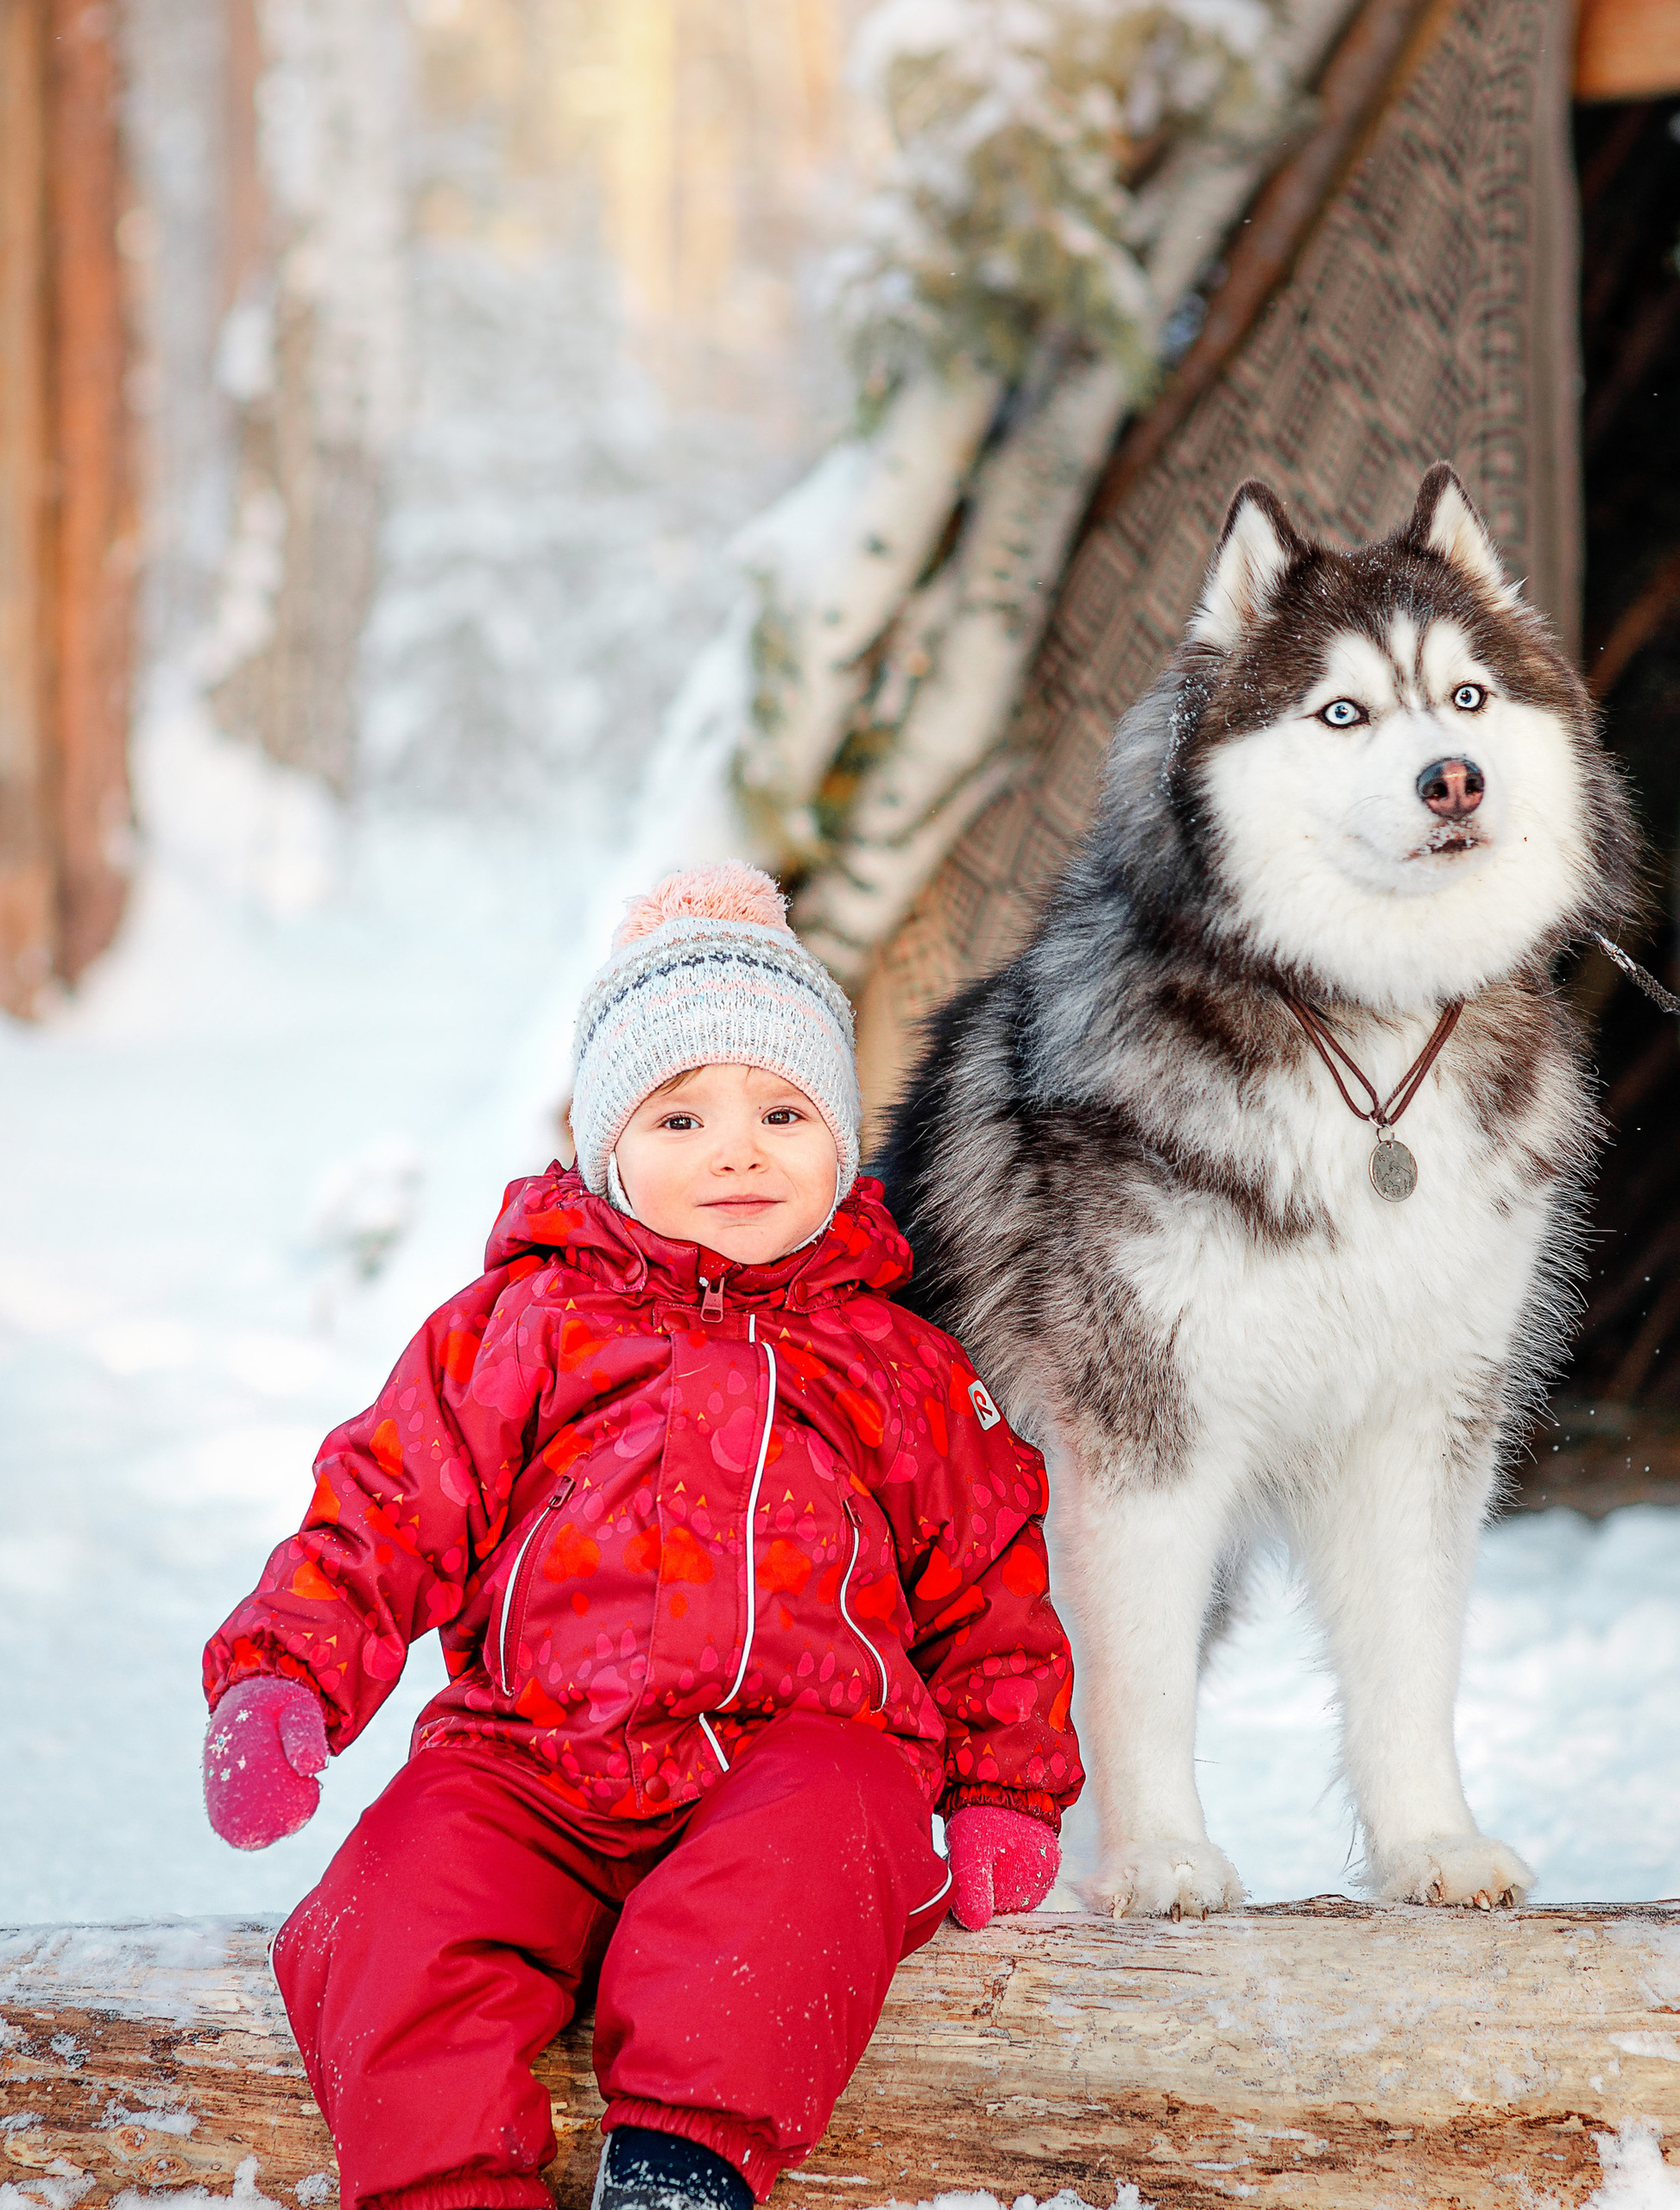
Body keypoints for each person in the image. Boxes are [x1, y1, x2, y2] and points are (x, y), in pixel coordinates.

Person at [200, 862, 1082, 2210]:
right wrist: (284, 1675)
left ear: (842, 1139)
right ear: (607, 1146)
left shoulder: (898, 1364)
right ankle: (444, 2187)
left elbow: (989, 1584)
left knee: (832, 1834)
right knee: (391, 1906)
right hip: (532, 1762)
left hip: (793, 1759)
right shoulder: (515, 1329)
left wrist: (1006, 1788)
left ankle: (682, 2166)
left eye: (784, 1110)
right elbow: (384, 1510)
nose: (738, 1149)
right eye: (682, 1115)